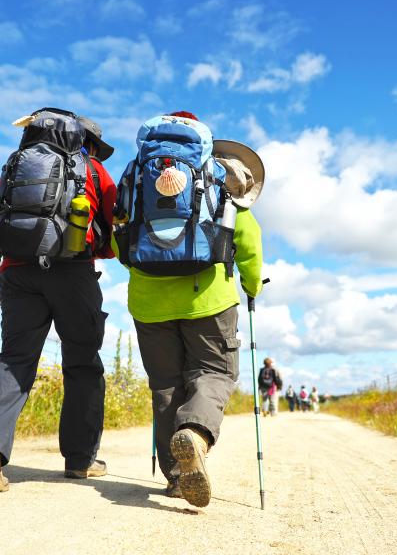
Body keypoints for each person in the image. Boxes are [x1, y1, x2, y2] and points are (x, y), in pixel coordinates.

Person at [112, 111, 264, 508]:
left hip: (148, 302)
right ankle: (195, 434)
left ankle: (176, 478)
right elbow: (247, 240)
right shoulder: (218, 177)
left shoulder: (135, 177)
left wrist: (147, 267)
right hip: (210, 298)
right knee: (214, 372)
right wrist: (250, 287)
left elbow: (119, 244)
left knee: (165, 386)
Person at [0, 109, 116, 492]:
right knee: (83, 362)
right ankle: (81, 461)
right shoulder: (93, 171)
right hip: (73, 273)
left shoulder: (19, 165)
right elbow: (113, 229)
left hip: (17, 272)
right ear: (87, 142)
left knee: (14, 358)